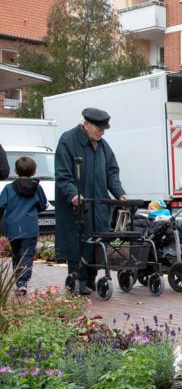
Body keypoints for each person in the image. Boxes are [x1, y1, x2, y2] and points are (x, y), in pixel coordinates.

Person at [55, 108, 127, 295]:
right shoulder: (68, 140)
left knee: (97, 240)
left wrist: (119, 193)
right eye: (98, 128)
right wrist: (73, 194)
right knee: (78, 241)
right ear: (86, 124)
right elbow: (63, 174)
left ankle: (91, 279)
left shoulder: (103, 146)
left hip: (99, 204)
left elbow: (112, 172)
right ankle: (77, 278)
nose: (102, 132)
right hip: (78, 205)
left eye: (104, 129)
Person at [0, 156, 48, 295]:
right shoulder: (37, 188)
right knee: (27, 254)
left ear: (15, 170)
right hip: (30, 226)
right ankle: (23, 282)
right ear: (34, 172)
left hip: (12, 227)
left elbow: (1, 206)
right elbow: (42, 205)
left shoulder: (9, 188)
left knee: (16, 254)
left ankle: (18, 280)